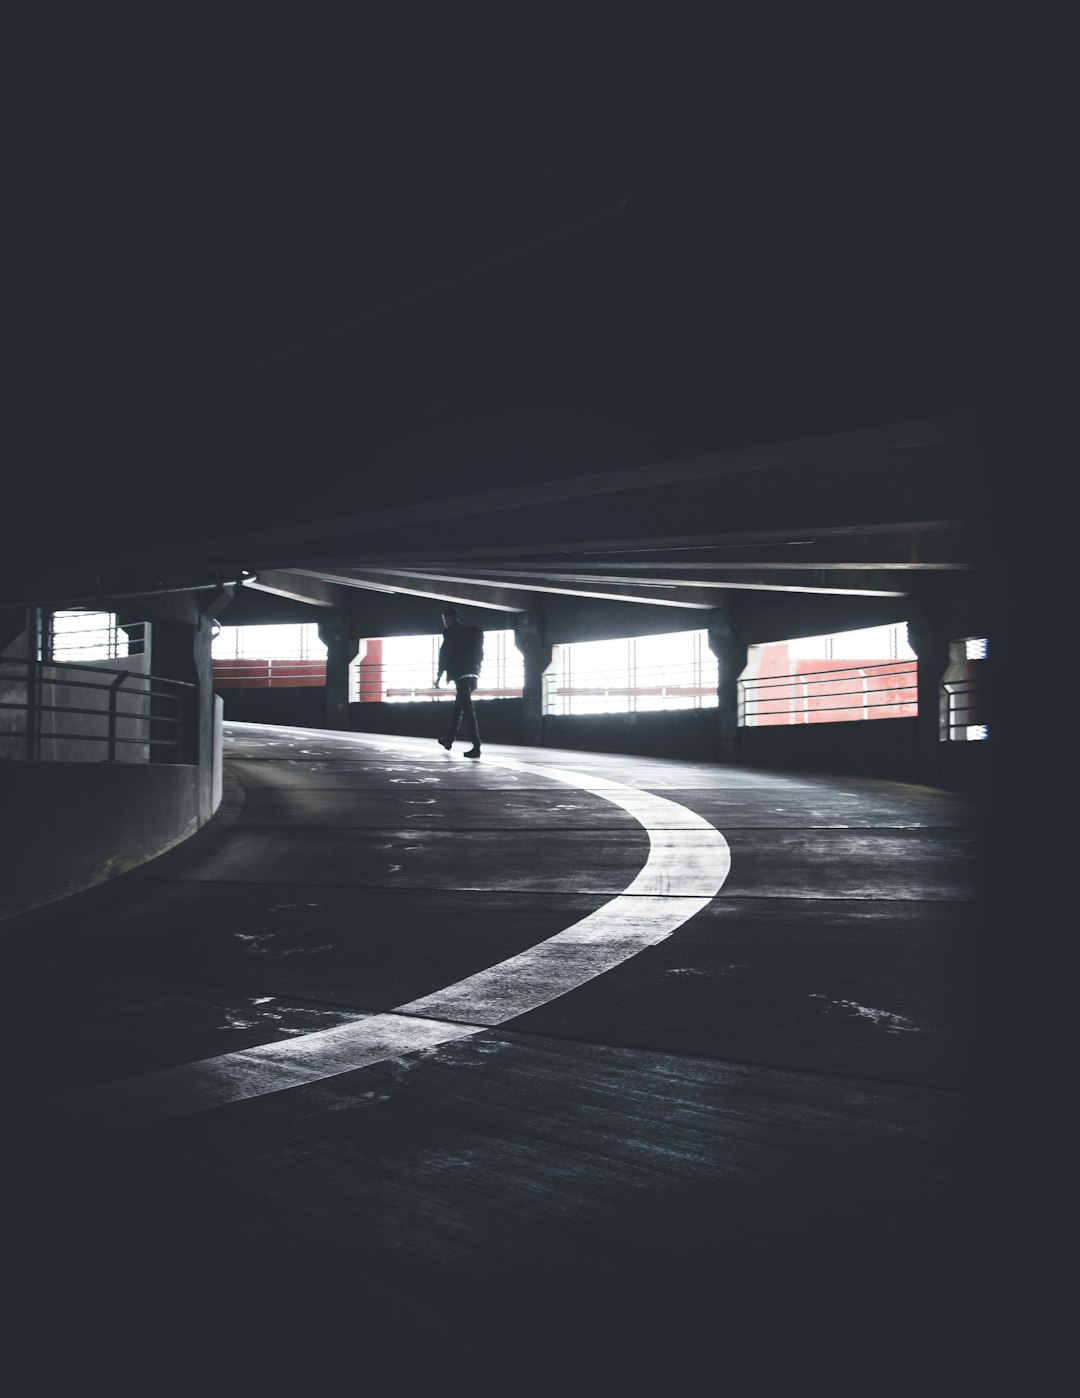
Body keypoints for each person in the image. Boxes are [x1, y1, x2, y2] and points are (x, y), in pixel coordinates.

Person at [434, 607, 484, 758]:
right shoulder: (471, 632)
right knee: (459, 707)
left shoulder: (450, 634)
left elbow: (444, 657)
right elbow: (480, 653)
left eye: (444, 620)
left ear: (449, 619)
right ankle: (448, 740)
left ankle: (477, 746)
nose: (444, 623)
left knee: (468, 710)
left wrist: (438, 677)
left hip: (461, 675)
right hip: (474, 675)